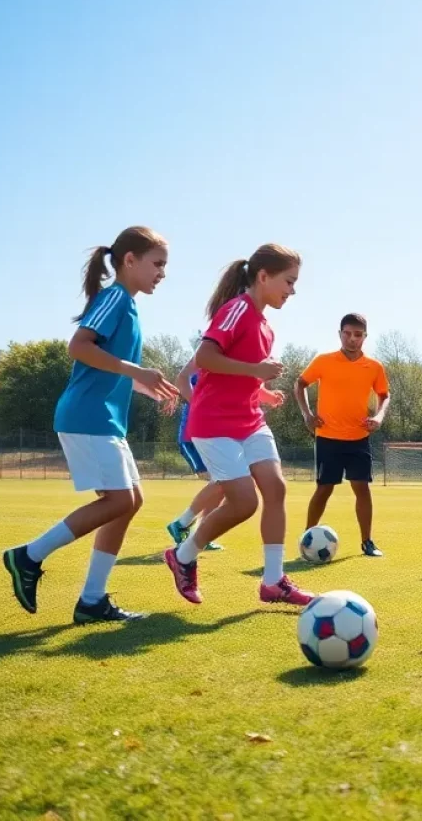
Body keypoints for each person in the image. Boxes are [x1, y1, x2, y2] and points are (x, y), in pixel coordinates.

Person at [3, 227, 178, 624]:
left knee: (129, 502)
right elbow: (79, 346)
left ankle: (92, 601)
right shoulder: (114, 297)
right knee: (120, 500)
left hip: (105, 419)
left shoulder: (129, 307)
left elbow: (110, 367)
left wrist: (148, 387)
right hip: (87, 415)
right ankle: (27, 556)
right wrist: (137, 370)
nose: (163, 273)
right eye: (158, 263)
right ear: (129, 260)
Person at [164, 244, 315, 607]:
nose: (293, 290)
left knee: (276, 489)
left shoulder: (265, 326)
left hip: (250, 421)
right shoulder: (236, 310)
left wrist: (263, 392)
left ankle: (273, 582)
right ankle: (182, 556)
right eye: (289, 281)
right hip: (214, 423)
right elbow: (205, 357)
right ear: (263, 277)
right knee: (244, 503)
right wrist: (256, 371)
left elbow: (238, 376)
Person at [295, 314, 390, 557]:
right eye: (347, 333)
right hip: (328, 437)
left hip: (359, 437)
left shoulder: (374, 367)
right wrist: (307, 414)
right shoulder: (324, 361)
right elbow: (300, 383)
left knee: (362, 488)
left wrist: (378, 417)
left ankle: (367, 542)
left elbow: (384, 395)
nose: (352, 339)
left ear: (365, 337)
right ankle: (308, 538)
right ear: (340, 334)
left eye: (358, 335)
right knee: (324, 488)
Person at [165, 355, 226, 551]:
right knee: (221, 481)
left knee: (222, 485)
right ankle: (181, 523)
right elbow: (183, 383)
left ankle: (201, 534)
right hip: (191, 439)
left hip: (210, 438)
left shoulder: (223, 374)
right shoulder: (202, 372)